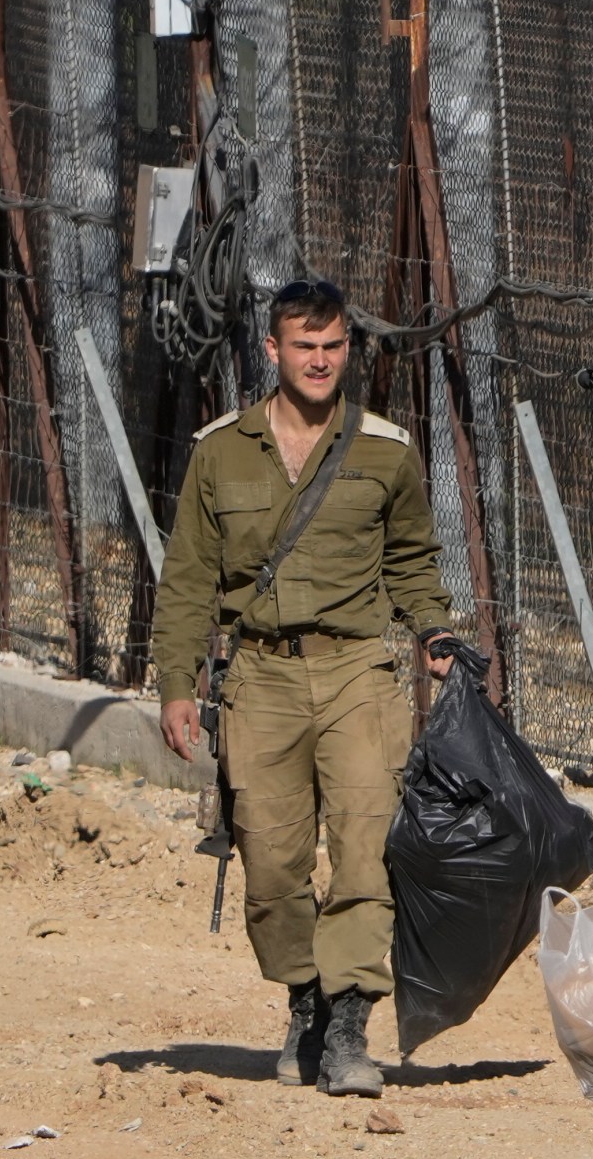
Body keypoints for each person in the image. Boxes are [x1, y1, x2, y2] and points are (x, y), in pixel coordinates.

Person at [153, 279, 459, 1100]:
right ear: (273, 351)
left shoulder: (386, 451)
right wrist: (176, 683)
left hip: (359, 670)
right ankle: (306, 1003)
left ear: (346, 352)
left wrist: (433, 630)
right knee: (270, 862)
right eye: (303, 346)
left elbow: (413, 561)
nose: (319, 361)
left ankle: (352, 1028)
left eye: (332, 347)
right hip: (259, 675)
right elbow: (186, 579)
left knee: (366, 850)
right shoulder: (221, 450)